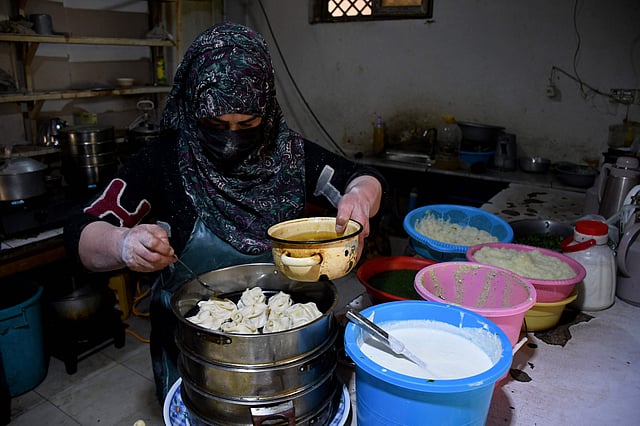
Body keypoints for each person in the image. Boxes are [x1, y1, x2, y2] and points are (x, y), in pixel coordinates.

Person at [64, 22, 384, 404]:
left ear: (266, 110)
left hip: (283, 351)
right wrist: (123, 243)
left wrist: (360, 198)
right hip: (197, 358)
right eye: (214, 125)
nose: (231, 139)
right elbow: (79, 232)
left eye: (247, 125)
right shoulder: (164, 162)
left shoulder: (291, 156)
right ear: (192, 107)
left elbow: (363, 178)